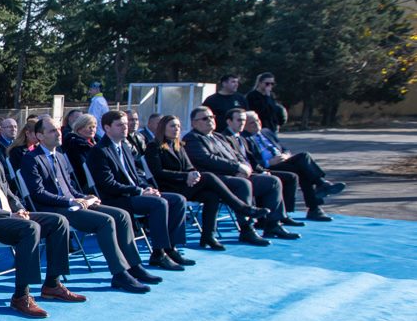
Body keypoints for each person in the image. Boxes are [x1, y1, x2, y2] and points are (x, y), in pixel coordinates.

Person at [0, 118, 84, 318]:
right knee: (30, 228)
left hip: (8, 217)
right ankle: (21, 296)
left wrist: (21, 210)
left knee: (58, 221)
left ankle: (52, 284)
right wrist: (10, 214)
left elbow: (9, 194)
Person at [19, 118, 161, 293]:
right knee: (105, 221)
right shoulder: (31, 159)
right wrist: (70, 201)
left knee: (121, 215)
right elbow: (38, 193)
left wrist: (85, 197)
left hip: (73, 204)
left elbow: (69, 188)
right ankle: (120, 274)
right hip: (55, 208)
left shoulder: (60, 157)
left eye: (58, 129)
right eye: (52, 131)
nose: (58, 134)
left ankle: (134, 266)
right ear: (40, 136)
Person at [146, 115, 270, 251]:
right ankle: (242, 207)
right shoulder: (153, 146)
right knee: (209, 177)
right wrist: (186, 176)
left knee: (212, 196)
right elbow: (158, 172)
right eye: (172, 126)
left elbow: (189, 167)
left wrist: (194, 175)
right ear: (163, 128)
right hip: (169, 187)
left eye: (178, 126)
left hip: (186, 185)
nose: (176, 129)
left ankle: (208, 236)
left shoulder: (178, 145)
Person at [87, 110, 192, 271]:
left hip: (134, 193)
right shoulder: (100, 151)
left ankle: (171, 248)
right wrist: (139, 191)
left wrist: (147, 188)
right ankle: (159, 253)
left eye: (126, 123)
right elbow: (108, 184)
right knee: (159, 203)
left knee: (178, 200)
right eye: (120, 125)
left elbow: (136, 175)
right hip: (117, 198)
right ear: (107, 128)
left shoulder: (124, 146)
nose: (125, 127)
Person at [183, 106, 298, 243]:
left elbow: (237, 155)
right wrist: (236, 168)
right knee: (243, 184)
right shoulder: (192, 138)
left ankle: (273, 225)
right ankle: (247, 229)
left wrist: (246, 168)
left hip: (236, 175)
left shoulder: (218, 136)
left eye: (211, 117)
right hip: (216, 179)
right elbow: (207, 160)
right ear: (194, 123)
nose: (210, 120)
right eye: (205, 118)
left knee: (273, 181)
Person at [243, 111, 342, 221]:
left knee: (303, 165)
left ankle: (315, 204)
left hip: (283, 162)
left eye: (257, 120)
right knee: (303, 161)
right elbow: (249, 160)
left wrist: (285, 155)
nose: (257, 124)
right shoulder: (244, 138)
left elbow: (284, 148)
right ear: (244, 125)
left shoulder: (266, 132)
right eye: (252, 123)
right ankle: (319, 192)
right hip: (268, 166)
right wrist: (269, 162)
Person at [246, 73, 287, 140]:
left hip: (272, 127)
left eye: (272, 84)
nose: (270, 86)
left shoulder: (271, 95)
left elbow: (273, 109)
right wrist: (267, 97)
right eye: (267, 84)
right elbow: (261, 110)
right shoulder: (252, 96)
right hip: (259, 127)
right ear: (260, 83)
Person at [63, 113, 98, 190]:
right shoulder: (76, 145)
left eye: (94, 127)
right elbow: (85, 167)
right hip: (87, 183)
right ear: (79, 129)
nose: (92, 129)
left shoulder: (95, 141)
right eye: (89, 127)